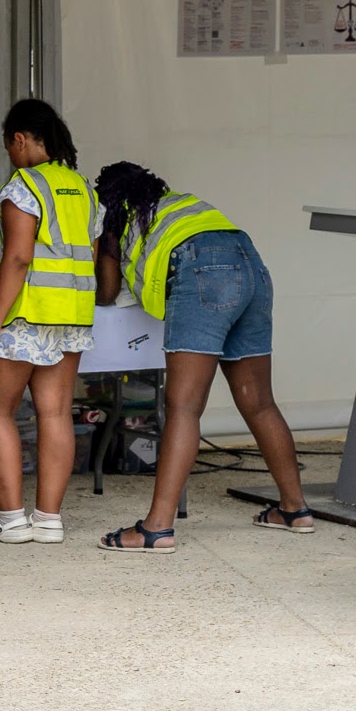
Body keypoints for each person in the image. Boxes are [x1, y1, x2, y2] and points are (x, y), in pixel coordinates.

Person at [93, 162, 313, 552]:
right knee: (259, 401)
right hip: (252, 266)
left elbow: (106, 293)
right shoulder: (181, 205)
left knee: (183, 407)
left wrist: (101, 249)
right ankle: (294, 510)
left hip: (201, 271)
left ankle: (156, 528)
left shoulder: (119, 224)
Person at [0, 99, 100, 546]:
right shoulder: (83, 187)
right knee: (54, 412)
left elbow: (19, 257)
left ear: (21, 139)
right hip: (71, 317)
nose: (11, 155)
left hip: (25, 316)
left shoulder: (23, 186)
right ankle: (48, 519)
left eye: (10, 145)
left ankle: (11, 521)